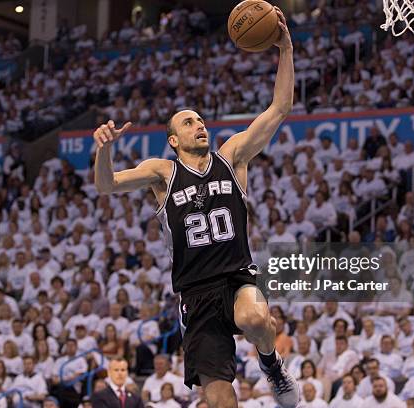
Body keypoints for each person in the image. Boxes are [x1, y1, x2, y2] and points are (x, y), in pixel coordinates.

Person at [92, 7, 298, 408]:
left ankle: (271, 366)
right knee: (221, 400)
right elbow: (107, 185)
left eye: (201, 120)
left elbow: (279, 109)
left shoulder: (232, 156)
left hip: (238, 278)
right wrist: (104, 151)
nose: (199, 125)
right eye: (188, 123)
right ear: (173, 139)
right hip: (195, 293)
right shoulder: (162, 173)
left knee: (254, 319)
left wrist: (285, 48)